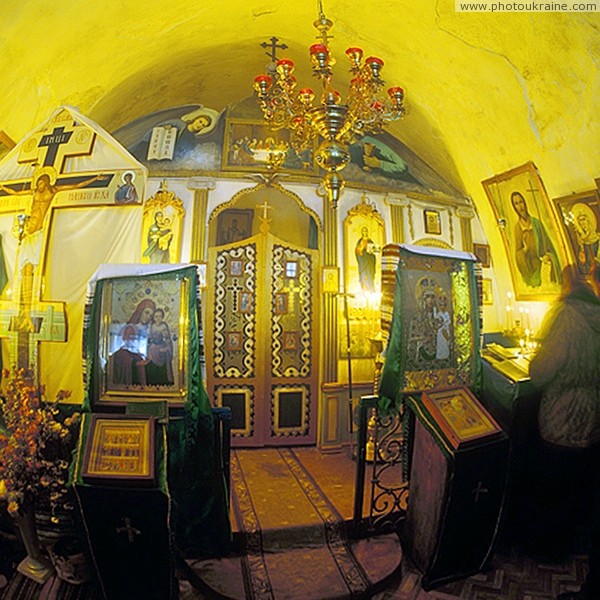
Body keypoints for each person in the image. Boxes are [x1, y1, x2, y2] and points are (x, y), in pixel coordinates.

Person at [527, 265, 600, 600]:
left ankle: (549, 549)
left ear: (565, 285)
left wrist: (533, 363)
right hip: (593, 415)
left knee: (553, 486)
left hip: (562, 415)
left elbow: (542, 370)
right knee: (577, 487)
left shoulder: (566, 316)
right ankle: (572, 543)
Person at [511, 191, 560, 288]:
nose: (520, 206)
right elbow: (518, 255)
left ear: (525, 203)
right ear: (514, 207)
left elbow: (548, 245)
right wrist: (524, 250)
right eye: (516, 203)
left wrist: (548, 256)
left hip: (542, 264)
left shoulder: (536, 223)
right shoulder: (517, 228)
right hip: (530, 266)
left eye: (521, 202)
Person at [145, 307, 174, 386]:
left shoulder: (164, 326)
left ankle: (162, 382)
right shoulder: (151, 326)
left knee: (162, 368)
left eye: (160, 316)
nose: (158, 318)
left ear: (162, 317)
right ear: (153, 317)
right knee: (151, 366)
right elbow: (148, 338)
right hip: (152, 349)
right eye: (156, 316)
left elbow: (168, 339)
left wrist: (167, 348)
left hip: (162, 348)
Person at [571, 202, 600, 275]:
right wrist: (582, 263)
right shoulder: (582, 245)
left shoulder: (598, 239)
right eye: (579, 221)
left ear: (589, 220)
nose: (582, 224)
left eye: (583, 219)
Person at [355, 226, 377, 292]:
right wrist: (360, 251)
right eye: (363, 231)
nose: (365, 232)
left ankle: (371, 290)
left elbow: (374, 252)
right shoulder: (360, 241)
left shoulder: (370, 241)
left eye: (366, 231)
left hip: (370, 262)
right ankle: (364, 290)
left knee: (370, 276)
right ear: (362, 232)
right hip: (363, 263)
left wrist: (372, 251)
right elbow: (357, 252)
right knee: (363, 276)